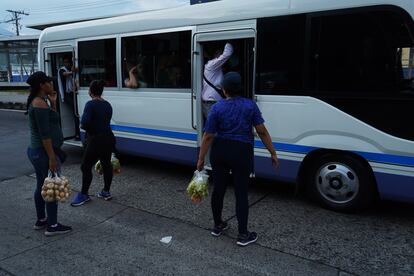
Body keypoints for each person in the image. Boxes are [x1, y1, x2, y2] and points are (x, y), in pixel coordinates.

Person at [197, 72, 279, 247]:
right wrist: (272, 152)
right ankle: (243, 234)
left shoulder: (217, 108)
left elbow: (208, 136)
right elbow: (262, 131)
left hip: (220, 150)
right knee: (241, 192)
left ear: (224, 89)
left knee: (218, 189)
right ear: (239, 88)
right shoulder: (250, 106)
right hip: (242, 151)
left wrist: (201, 158)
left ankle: (218, 226)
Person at [26, 71, 72, 236]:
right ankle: (52, 225)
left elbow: (51, 123)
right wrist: (52, 157)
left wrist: (53, 104)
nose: (52, 85)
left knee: (41, 185)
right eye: (49, 82)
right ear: (41, 85)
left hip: (37, 152)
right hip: (44, 153)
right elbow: (45, 135)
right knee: (52, 187)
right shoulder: (38, 104)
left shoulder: (41, 102)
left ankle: (42, 220)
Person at [71, 80, 116, 206]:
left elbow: (84, 123)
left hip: (95, 140)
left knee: (85, 166)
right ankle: (106, 191)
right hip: (108, 138)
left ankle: (84, 194)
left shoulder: (90, 104)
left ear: (90, 91)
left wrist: (87, 129)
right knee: (106, 164)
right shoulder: (107, 104)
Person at [201, 42, 233, 120]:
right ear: (215, 54)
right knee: (213, 130)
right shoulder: (212, 64)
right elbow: (227, 53)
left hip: (212, 102)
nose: (221, 55)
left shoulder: (212, 66)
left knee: (215, 128)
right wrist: (228, 41)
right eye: (220, 53)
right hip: (211, 103)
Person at [57, 55, 80, 140]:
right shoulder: (61, 70)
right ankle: (77, 133)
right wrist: (73, 71)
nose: (68, 63)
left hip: (72, 93)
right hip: (67, 95)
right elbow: (65, 74)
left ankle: (78, 133)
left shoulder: (70, 70)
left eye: (69, 62)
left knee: (76, 113)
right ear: (63, 63)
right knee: (76, 113)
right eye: (66, 62)